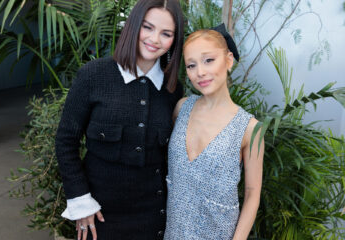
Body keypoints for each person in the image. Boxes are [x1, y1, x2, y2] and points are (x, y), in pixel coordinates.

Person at [55, 0, 184, 239]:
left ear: (174, 41)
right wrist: (81, 201)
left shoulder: (173, 90)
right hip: (99, 215)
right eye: (147, 27)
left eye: (166, 34)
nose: (154, 39)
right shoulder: (92, 76)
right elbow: (66, 141)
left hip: (154, 217)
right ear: (133, 26)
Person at [164, 24, 264, 240]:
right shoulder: (181, 109)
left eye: (209, 60)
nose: (200, 72)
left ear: (228, 60)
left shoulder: (250, 128)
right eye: (191, 65)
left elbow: (252, 192)